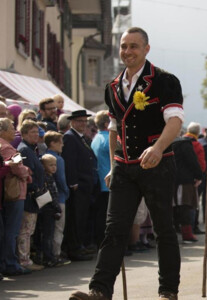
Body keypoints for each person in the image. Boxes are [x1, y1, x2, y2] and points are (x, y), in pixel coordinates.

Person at [70, 27, 184, 300]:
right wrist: (111, 165)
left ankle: (168, 291)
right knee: (114, 230)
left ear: (146, 49)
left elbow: (175, 122)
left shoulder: (165, 80)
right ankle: (99, 291)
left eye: (134, 46)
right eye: (124, 46)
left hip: (157, 165)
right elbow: (113, 129)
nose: (127, 51)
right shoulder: (113, 86)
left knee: (163, 229)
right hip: (123, 166)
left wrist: (157, 148)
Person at [62, 110, 98, 261]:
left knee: (82, 217)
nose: (83, 124)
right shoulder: (70, 137)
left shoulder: (82, 138)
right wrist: (73, 182)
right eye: (80, 121)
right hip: (78, 185)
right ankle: (74, 248)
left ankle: (80, 245)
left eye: (85, 121)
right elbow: (69, 161)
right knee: (75, 218)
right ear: (72, 122)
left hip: (86, 184)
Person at [0, 118, 32, 276]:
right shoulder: (7, 148)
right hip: (15, 192)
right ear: (3, 131)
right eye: (12, 128)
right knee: (12, 230)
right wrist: (27, 172)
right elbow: (19, 169)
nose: (14, 131)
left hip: (7, 193)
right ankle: (10, 264)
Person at [17, 120, 45, 272]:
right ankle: (24, 260)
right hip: (29, 196)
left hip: (33, 196)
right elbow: (26, 173)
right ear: (24, 134)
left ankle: (25, 258)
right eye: (32, 132)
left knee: (29, 230)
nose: (36, 134)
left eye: (37, 131)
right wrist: (34, 189)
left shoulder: (31, 149)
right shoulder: (24, 150)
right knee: (25, 230)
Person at [172, 134, 203, 243]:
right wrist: (199, 175)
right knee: (185, 206)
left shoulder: (167, 143)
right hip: (184, 180)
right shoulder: (184, 144)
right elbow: (192, 161)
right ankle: (187, 235)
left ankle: (175, 234)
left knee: (174, 208)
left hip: (171, 179)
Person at [44, 131, 70, 262]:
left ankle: (49, 253)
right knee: (58, 227)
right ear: (52, 143)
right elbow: (61, 179)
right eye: (60, 142)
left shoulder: (44, 157)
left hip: (47, 199)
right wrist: (67, 191)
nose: (63, 145)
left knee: (48, 229)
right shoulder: (58, 159)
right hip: (59, 198)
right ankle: (56, 254)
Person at [36, 154, 63, 267]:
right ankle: (48, 257)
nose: (54, 167)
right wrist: (57, 207)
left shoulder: (51, 177)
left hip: (49, 208)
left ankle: (47, 256)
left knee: (48, 234)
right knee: (47, 234)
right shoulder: (45, 178)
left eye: (55, 165)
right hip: (47, 208)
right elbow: (51, 195)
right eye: (50, 165)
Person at [90, 110, 110, 248]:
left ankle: (101, 242)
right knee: (107, 217)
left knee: (101, 215)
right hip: (108, 183)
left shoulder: (96, 138)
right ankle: (107, 244)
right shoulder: (109, 139)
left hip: (101, 182)